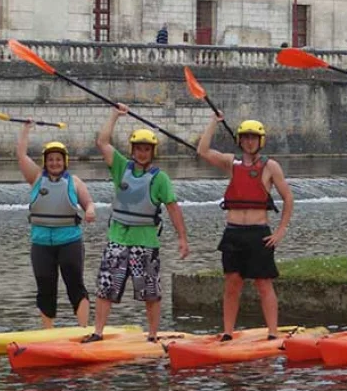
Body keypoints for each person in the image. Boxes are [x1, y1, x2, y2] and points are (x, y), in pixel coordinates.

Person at [82, 104, 189, 343]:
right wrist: (115, 116)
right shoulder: (121, 167)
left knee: (151, 292)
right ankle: (98, 332)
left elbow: (172, 208)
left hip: (145, 243)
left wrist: (182, 238)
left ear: (152, 152)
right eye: (138, 149)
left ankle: (152, 336)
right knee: (105, 288)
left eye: (146, 149)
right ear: (132, 150)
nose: (142, 153)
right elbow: (102, 142)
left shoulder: (160, 179)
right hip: (117, 239)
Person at [197, 115, 293, 341]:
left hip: (258, 233)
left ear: (261, 141)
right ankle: (228, 332)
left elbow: (288, 198)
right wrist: (214, 121)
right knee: (232, 284)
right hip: (233, 233)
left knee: (264, 283)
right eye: (245, 138)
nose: (249, 142)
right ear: (239, 140)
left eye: (253, 138)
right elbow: (203, 150)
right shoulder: (232, 163)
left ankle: (272, 333)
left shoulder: (271, 166)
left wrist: (281, 231)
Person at [17, 122, 95, 328]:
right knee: (45, 287)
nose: (54, 163)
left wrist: (89, 210)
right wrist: (26, 130)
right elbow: (21, 156)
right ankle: (48, 332)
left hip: (69, 241)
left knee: (74, 285)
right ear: (45, 162)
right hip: (41, 243)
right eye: (50, 160)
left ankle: (84, 329)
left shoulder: (75, 182)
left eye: (58, 159)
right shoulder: (35, 178)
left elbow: (88, 203)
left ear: (65, 161)